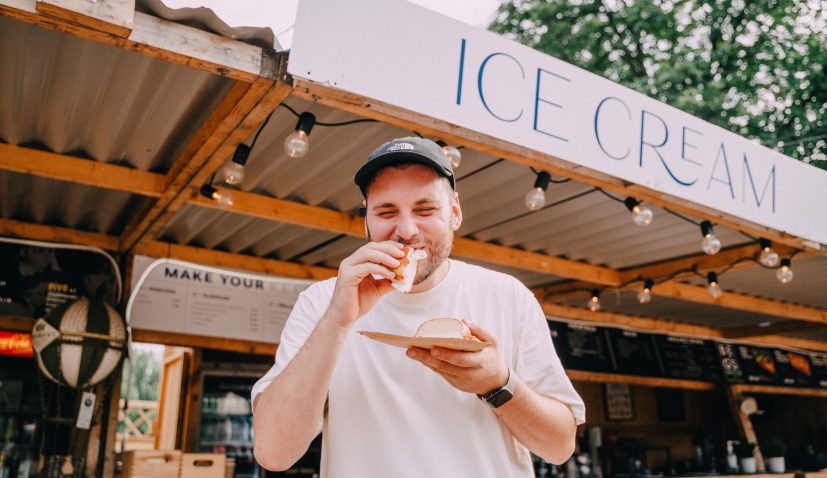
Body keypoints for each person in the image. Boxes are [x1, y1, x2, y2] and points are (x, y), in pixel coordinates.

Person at [252, 137, 585, 477]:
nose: (407, 230)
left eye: (425, 210)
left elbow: (559, 447)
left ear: (455, 212)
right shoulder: (321, 302)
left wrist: (499, 383)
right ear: (366, 218)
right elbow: (273, 453)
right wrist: (336, 322)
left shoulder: (507, 296)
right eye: (386, 212)